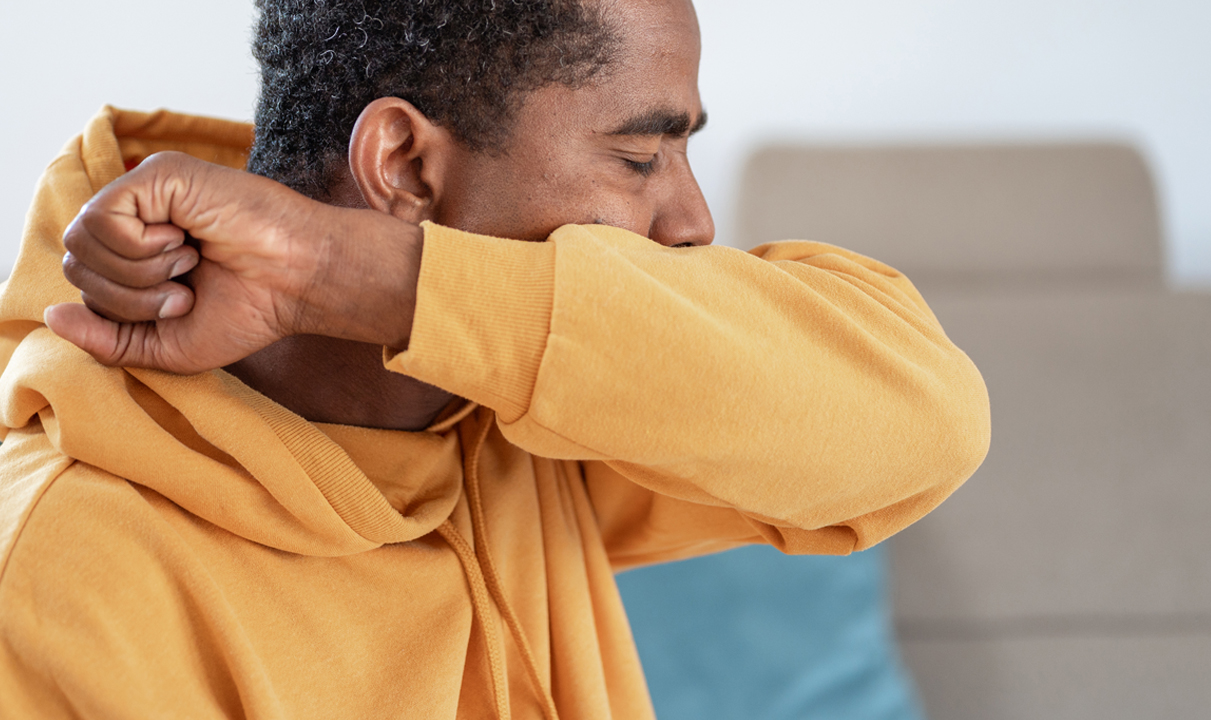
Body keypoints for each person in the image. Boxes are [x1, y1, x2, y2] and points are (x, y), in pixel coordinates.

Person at [0, 0, 990, 717]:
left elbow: (923, 421)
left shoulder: (513, 416)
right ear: (405, 168)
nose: (692, 222)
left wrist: (340, 270)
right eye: (639, 159)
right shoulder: (59, 572)